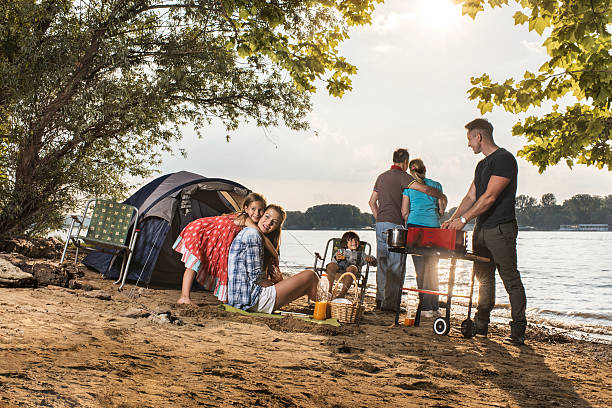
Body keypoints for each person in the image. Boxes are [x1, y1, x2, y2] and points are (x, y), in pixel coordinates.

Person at [442, 118, 527, 345]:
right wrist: (451, 220)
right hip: (481, 230)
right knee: (484, 278)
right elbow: (471, 196)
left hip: (500, 229)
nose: (469, 144)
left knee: (510, 278)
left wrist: (463, 219)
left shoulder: (504, 160)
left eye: (470, 139)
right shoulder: (481, 165)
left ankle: (518, 331)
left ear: (479, 136)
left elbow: (489, 198)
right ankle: (481, 326)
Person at [368, 148, 447, 311]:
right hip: (395, 226)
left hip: (380, 225)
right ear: (405, 163)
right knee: (396, 266)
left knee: (382, 263)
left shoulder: (381, 177)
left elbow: (371, 202)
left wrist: (379, 218)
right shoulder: (404, 177)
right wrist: (441, 196)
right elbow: (425, 189)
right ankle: (391, 305)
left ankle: (380, 299)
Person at [174, 193, 279, 305]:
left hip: (212, 238)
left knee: (216, 266)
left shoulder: (248, 220)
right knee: (193, 264)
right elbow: (262, 237)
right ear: (246, 208)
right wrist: (275, 255)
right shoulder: (246, 219)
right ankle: (184, 297)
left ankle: (223, 297)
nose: (257, 213)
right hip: (201, 232)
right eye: (253, 209)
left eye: (261, 210)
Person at [227, 204, 319, 313]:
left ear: (277, 227)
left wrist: (277, 283)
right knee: (311, 276)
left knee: (308, 285)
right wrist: (276, 284)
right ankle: (329, 305)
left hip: (244, 298)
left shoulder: (253, 235)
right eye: (267, 216)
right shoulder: (253, 234)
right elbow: (256, 277)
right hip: (251, 300)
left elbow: (253, 277)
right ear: (261, 215)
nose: (269, 223)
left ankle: (325, 305)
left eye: (274, 222)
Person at [401, 158, 443, 318]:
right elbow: (441, 210)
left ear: (411, 172)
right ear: (425, 169)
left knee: (420, 269)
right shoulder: (437, 186)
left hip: (415, 229)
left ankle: (425, 307)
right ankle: (435, 306)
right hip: (433, 228)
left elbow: (404, 212)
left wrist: (411, 218)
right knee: (433, 268)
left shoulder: (408, 188)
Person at [325, 231, 377, 299]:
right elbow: (333, 262)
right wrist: (336, 258)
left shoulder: (361, 254)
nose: (354, 242)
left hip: (351, 273)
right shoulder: (340, 251)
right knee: (331, 265)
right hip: (338, 272)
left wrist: (371, 259)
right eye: (351, 240)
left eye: (356, 240)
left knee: (352, 267)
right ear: (345, 243)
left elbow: (375, 264)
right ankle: (329, 292)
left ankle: (341, 295)